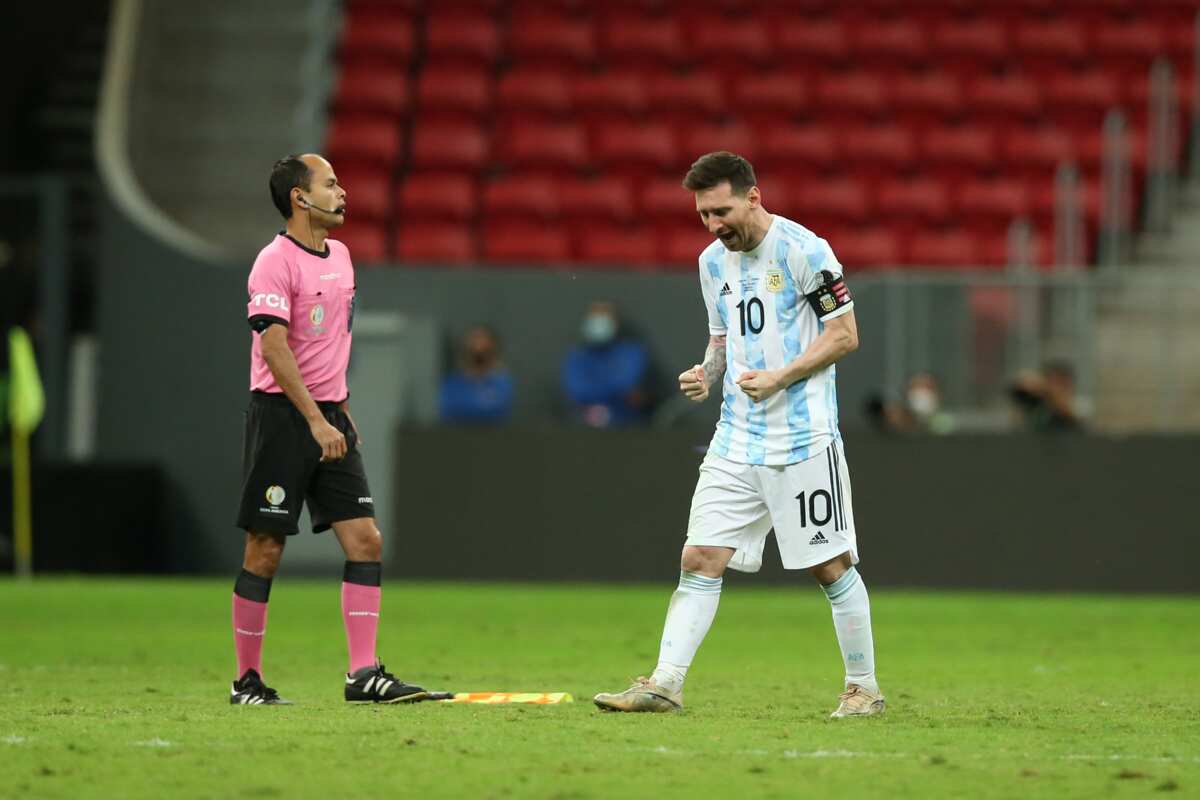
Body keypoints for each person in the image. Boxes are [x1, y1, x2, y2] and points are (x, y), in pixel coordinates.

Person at [594, 152, 884, 718]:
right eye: (703, 214)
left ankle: (864, 688)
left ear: (753, 196)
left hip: (802, 439)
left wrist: (781, 375)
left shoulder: (806, 251)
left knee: (830, 566)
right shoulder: (711, 263)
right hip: (735, 438)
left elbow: (845, 335)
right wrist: (707, 372)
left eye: (720, 211)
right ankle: (665, 683)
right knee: (699, 555)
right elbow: (723, 339)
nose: (712, 225)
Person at [230, 154, 431, 705]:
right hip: (283, 418)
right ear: (300, 197)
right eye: (331, 183)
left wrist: (337, 409)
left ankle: (362, 674)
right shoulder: (273, 262)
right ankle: (246, 681)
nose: (343, 192)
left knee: (365, 540)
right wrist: (315, 420)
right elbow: (273, 347)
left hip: (329, 416)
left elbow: (329, 344)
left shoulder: (341, 256)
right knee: (266, 546)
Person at [561, 301, 653, 427]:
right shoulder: (577, 355)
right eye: (595, 316)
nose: (599, 323)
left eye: (604, 316)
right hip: (582, 425)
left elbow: (628, 383)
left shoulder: (631, 352)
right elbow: (577, 389)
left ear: (615, 322)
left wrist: (610, 392)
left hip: (627, 423)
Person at [439, 325, 514, 424]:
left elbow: (498, 409)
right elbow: (447, 409)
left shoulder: (502, 382)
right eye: (474, 340)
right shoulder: (452, 382)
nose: (478, 346)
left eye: (482, 341)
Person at [1009, 361, 1083, 433]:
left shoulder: (1076, 410)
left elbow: (1075, 420)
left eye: (1061, 385)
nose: (1056, 389)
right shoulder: (1038, 406)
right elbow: (1019, 386)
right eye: (1054, 383)